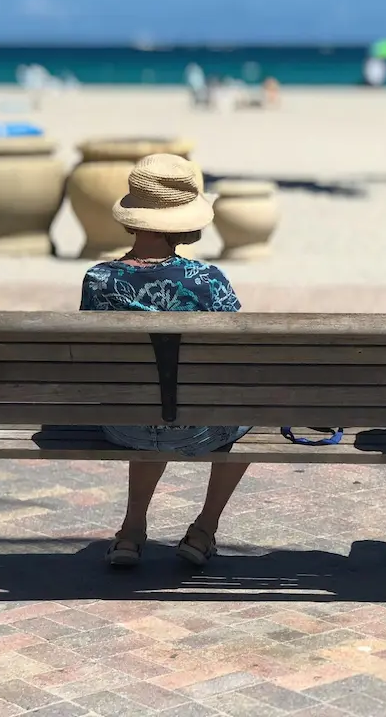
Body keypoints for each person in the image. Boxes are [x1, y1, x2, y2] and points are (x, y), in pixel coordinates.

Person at [79, 153, 250, 568]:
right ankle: (204, 528)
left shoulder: (98, 280)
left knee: (147, 396)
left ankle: (132, 531)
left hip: (123, 427)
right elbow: (237, 351)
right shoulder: (208, 282)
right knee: (251, 408)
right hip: (197, 431)